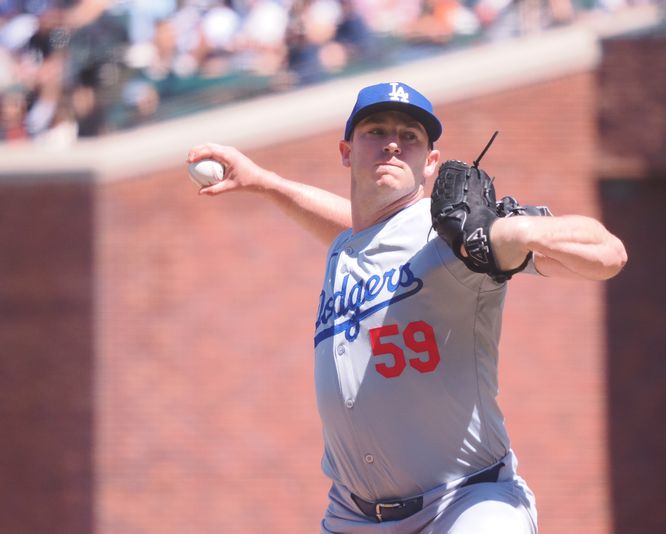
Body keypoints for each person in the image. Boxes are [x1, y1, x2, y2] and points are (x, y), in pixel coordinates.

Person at [186, 81, 627, 533]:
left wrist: (513, 231)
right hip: (352, 516)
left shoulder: (453, 239)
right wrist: (264, 182)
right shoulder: (350, 245)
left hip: (467, 502)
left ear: (430, 162)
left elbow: (610, 254)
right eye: (375, 131)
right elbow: (362, 232)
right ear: (346, 151)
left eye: (410, 136)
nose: (393, 143)